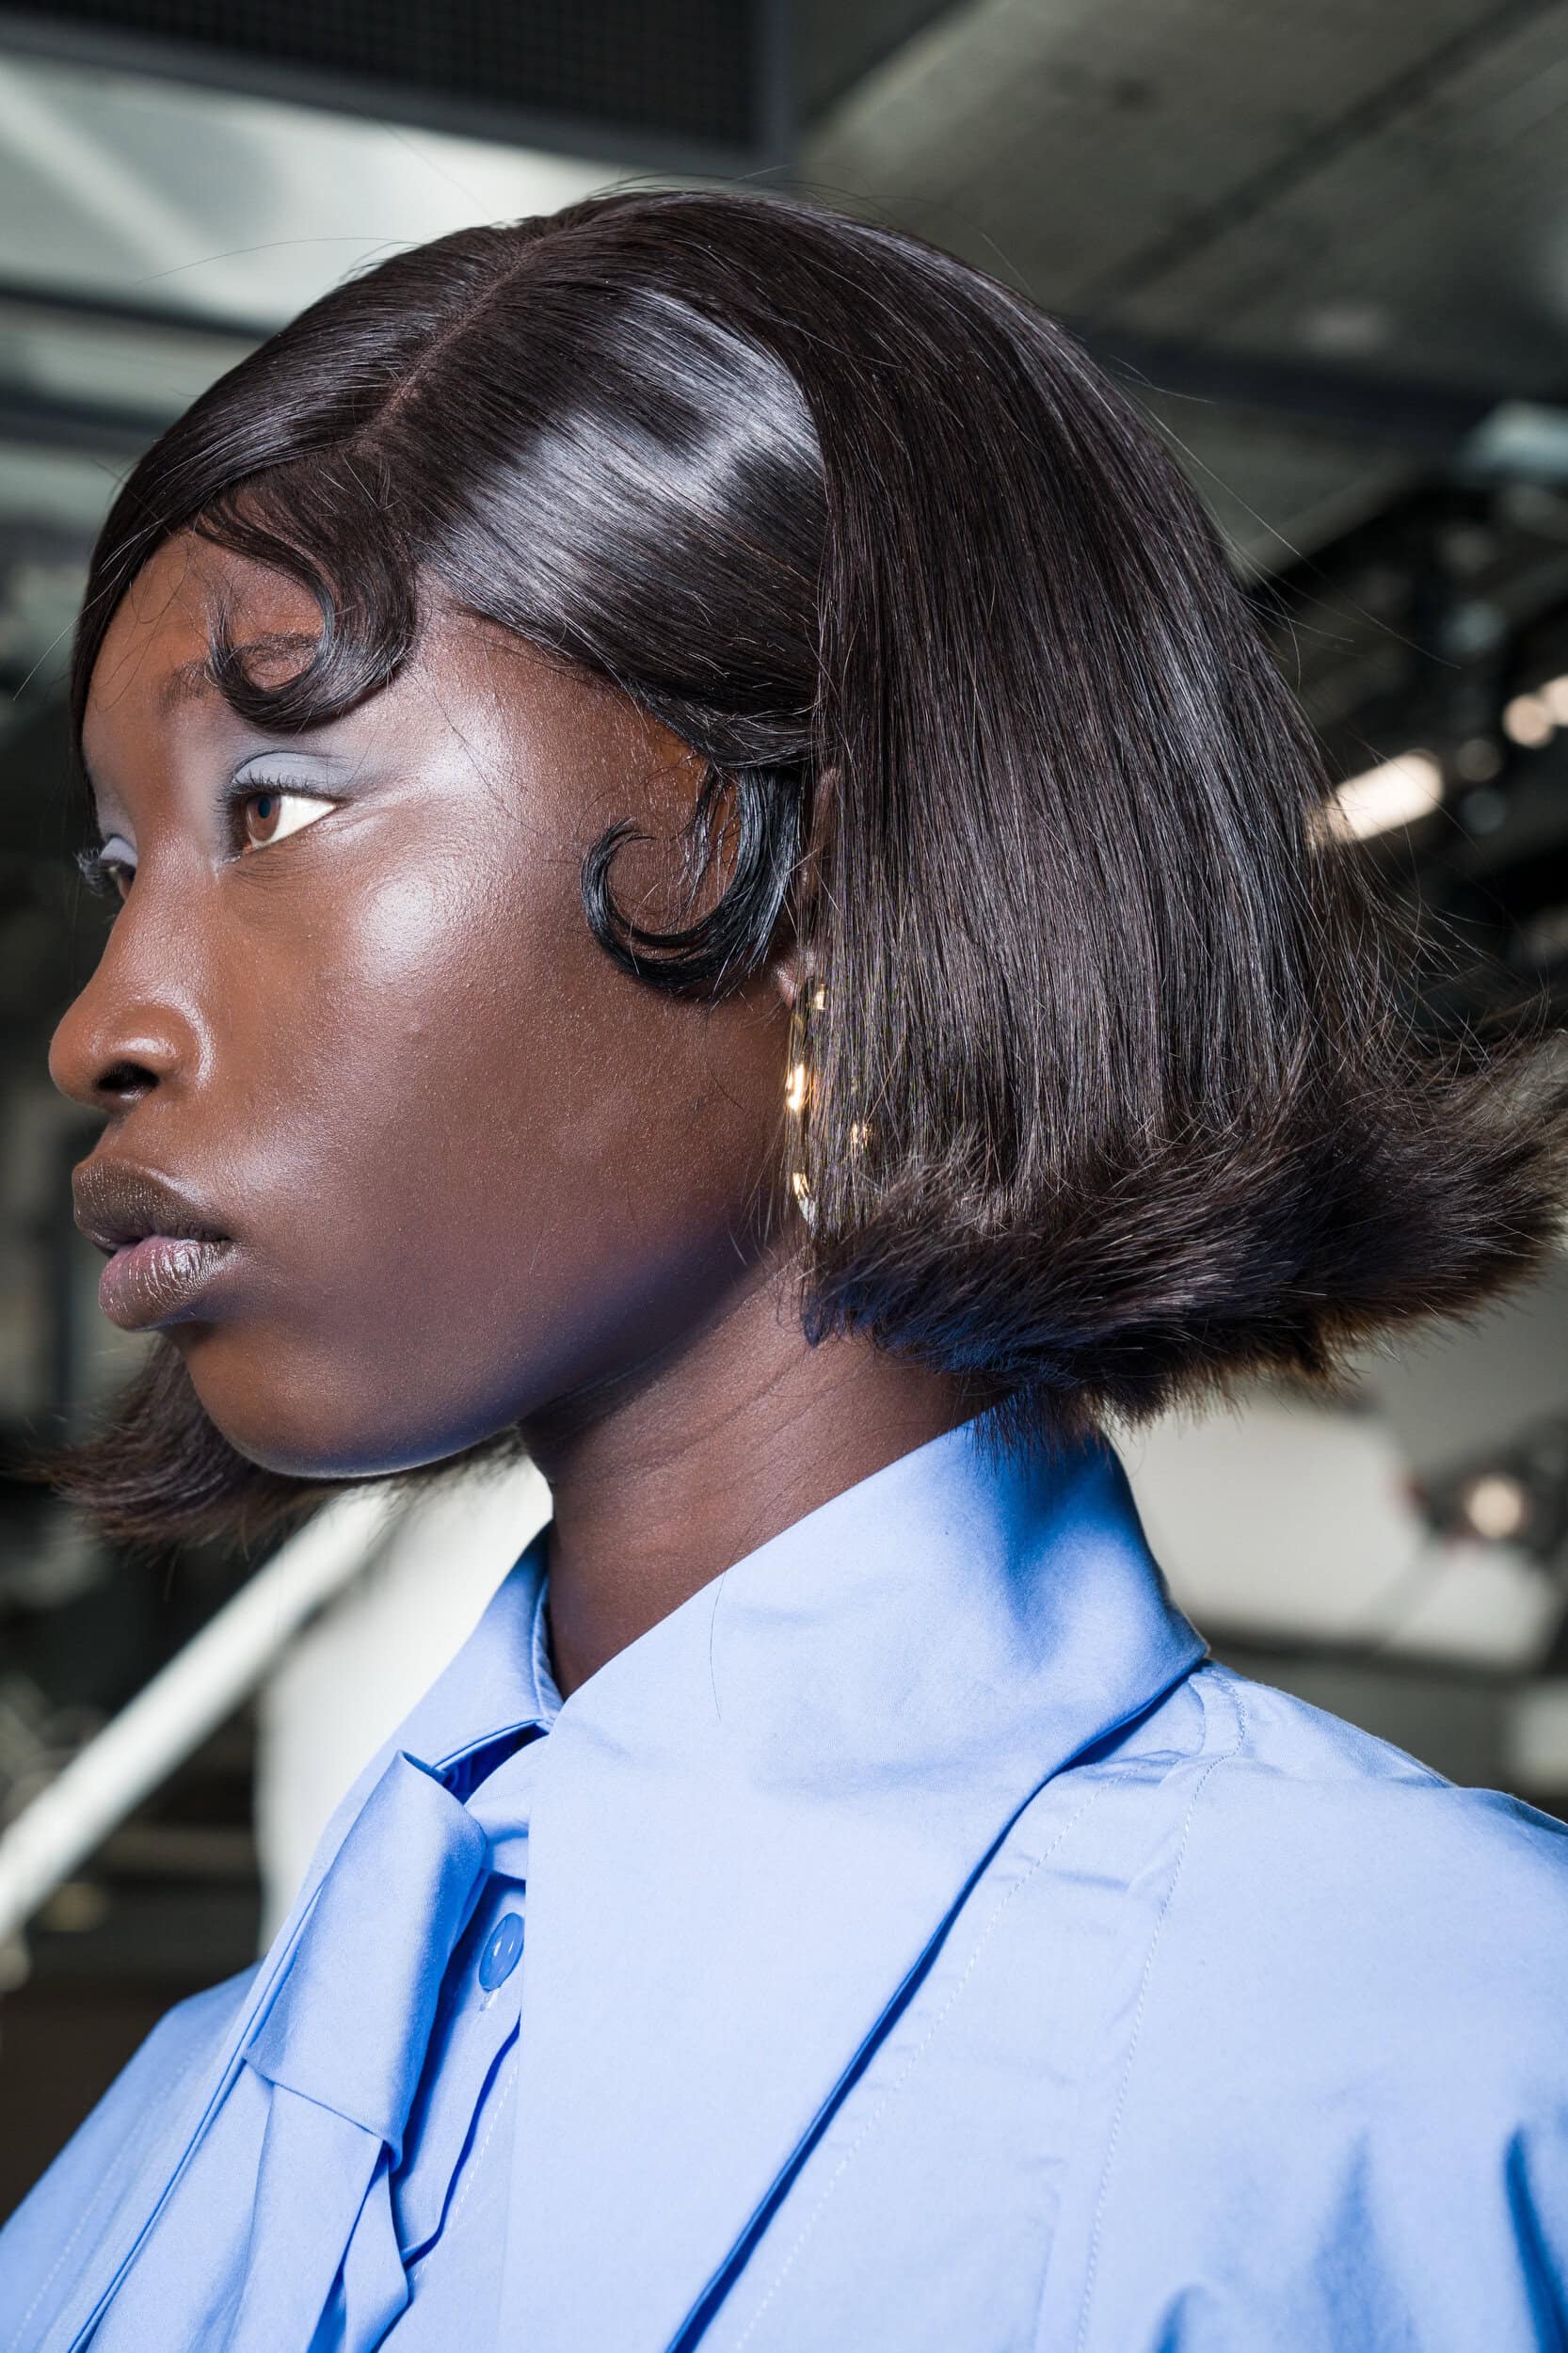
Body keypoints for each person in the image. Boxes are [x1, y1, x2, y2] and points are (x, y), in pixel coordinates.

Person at [2, 188, 1566, 2353]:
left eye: (271, 805)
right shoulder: (160, 2150)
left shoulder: (1450, 2070)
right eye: (123, 861)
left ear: (816, 871)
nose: (104, 1021)